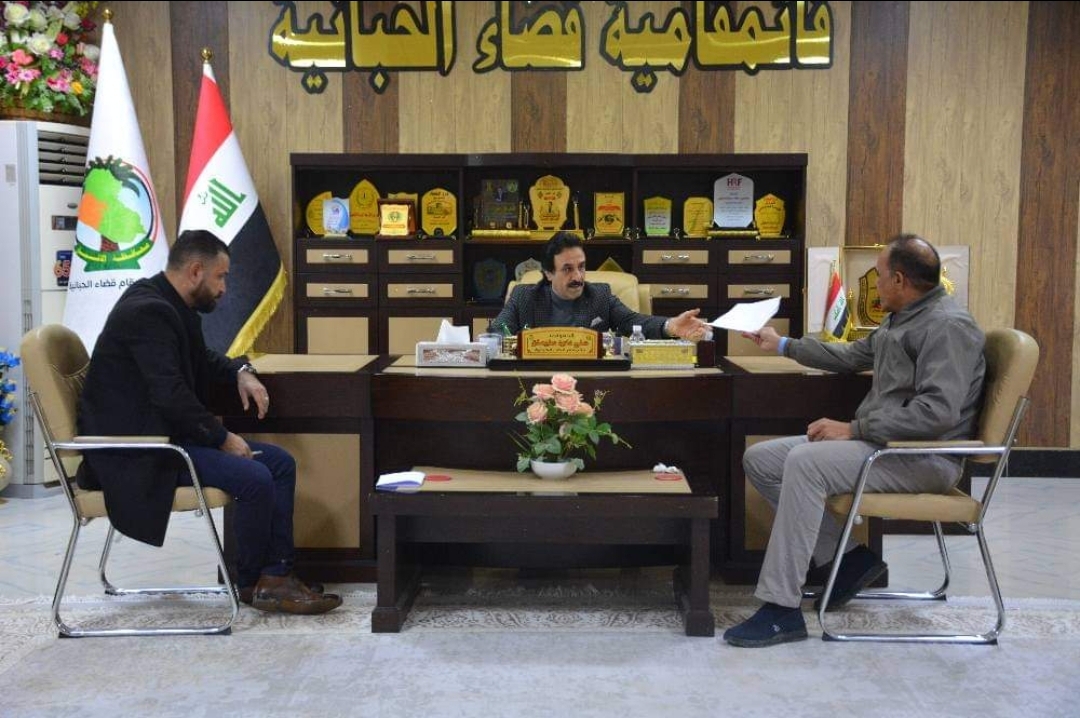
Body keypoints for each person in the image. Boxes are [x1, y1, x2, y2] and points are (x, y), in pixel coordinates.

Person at [723, 234, 985, 647]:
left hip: (923, 457)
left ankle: (781, 609)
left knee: (805, 462)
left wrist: (854, 429)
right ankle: (844, 560)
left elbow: (937, 414)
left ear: (899, 280)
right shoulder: (905, 316)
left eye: (878, 276)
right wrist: (783, 345)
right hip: (887, 448)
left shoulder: (948, 327)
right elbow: (851, 356)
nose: (875, 284)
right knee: (762, 459)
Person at [77, 229, 341, 615]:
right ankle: (251, 581)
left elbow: (201, 358)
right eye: (221, 277)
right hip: (138, 454)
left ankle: (273, 577)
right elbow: (170, 395)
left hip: (166, 440)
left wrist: (241, 371)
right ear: (196, 271)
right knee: (254, 478)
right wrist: (221, 438)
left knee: (280, 464)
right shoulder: (148, 312)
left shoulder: (167, 303)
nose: (224, 288)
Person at [489, 231, 711, 340]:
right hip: (537, 381)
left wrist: (671, 326)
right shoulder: (524, 296)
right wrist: (492, 342)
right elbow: (497, 329)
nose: (578, 276)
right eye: (567, 269)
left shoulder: (599, 296)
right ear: (548, 273)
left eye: (581, 267)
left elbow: (634, 321)